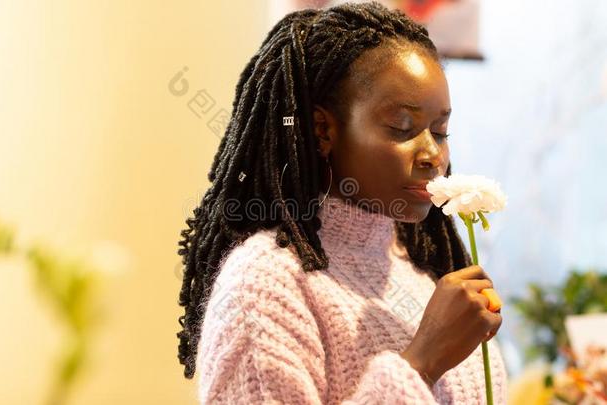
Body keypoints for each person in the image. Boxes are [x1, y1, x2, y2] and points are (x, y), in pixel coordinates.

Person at [176, 1, 508, 403]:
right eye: (403, 128)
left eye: (440, 132)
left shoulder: (425, 272)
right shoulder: (264, 286)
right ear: (323, 130)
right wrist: (423, 362)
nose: (432, 155)